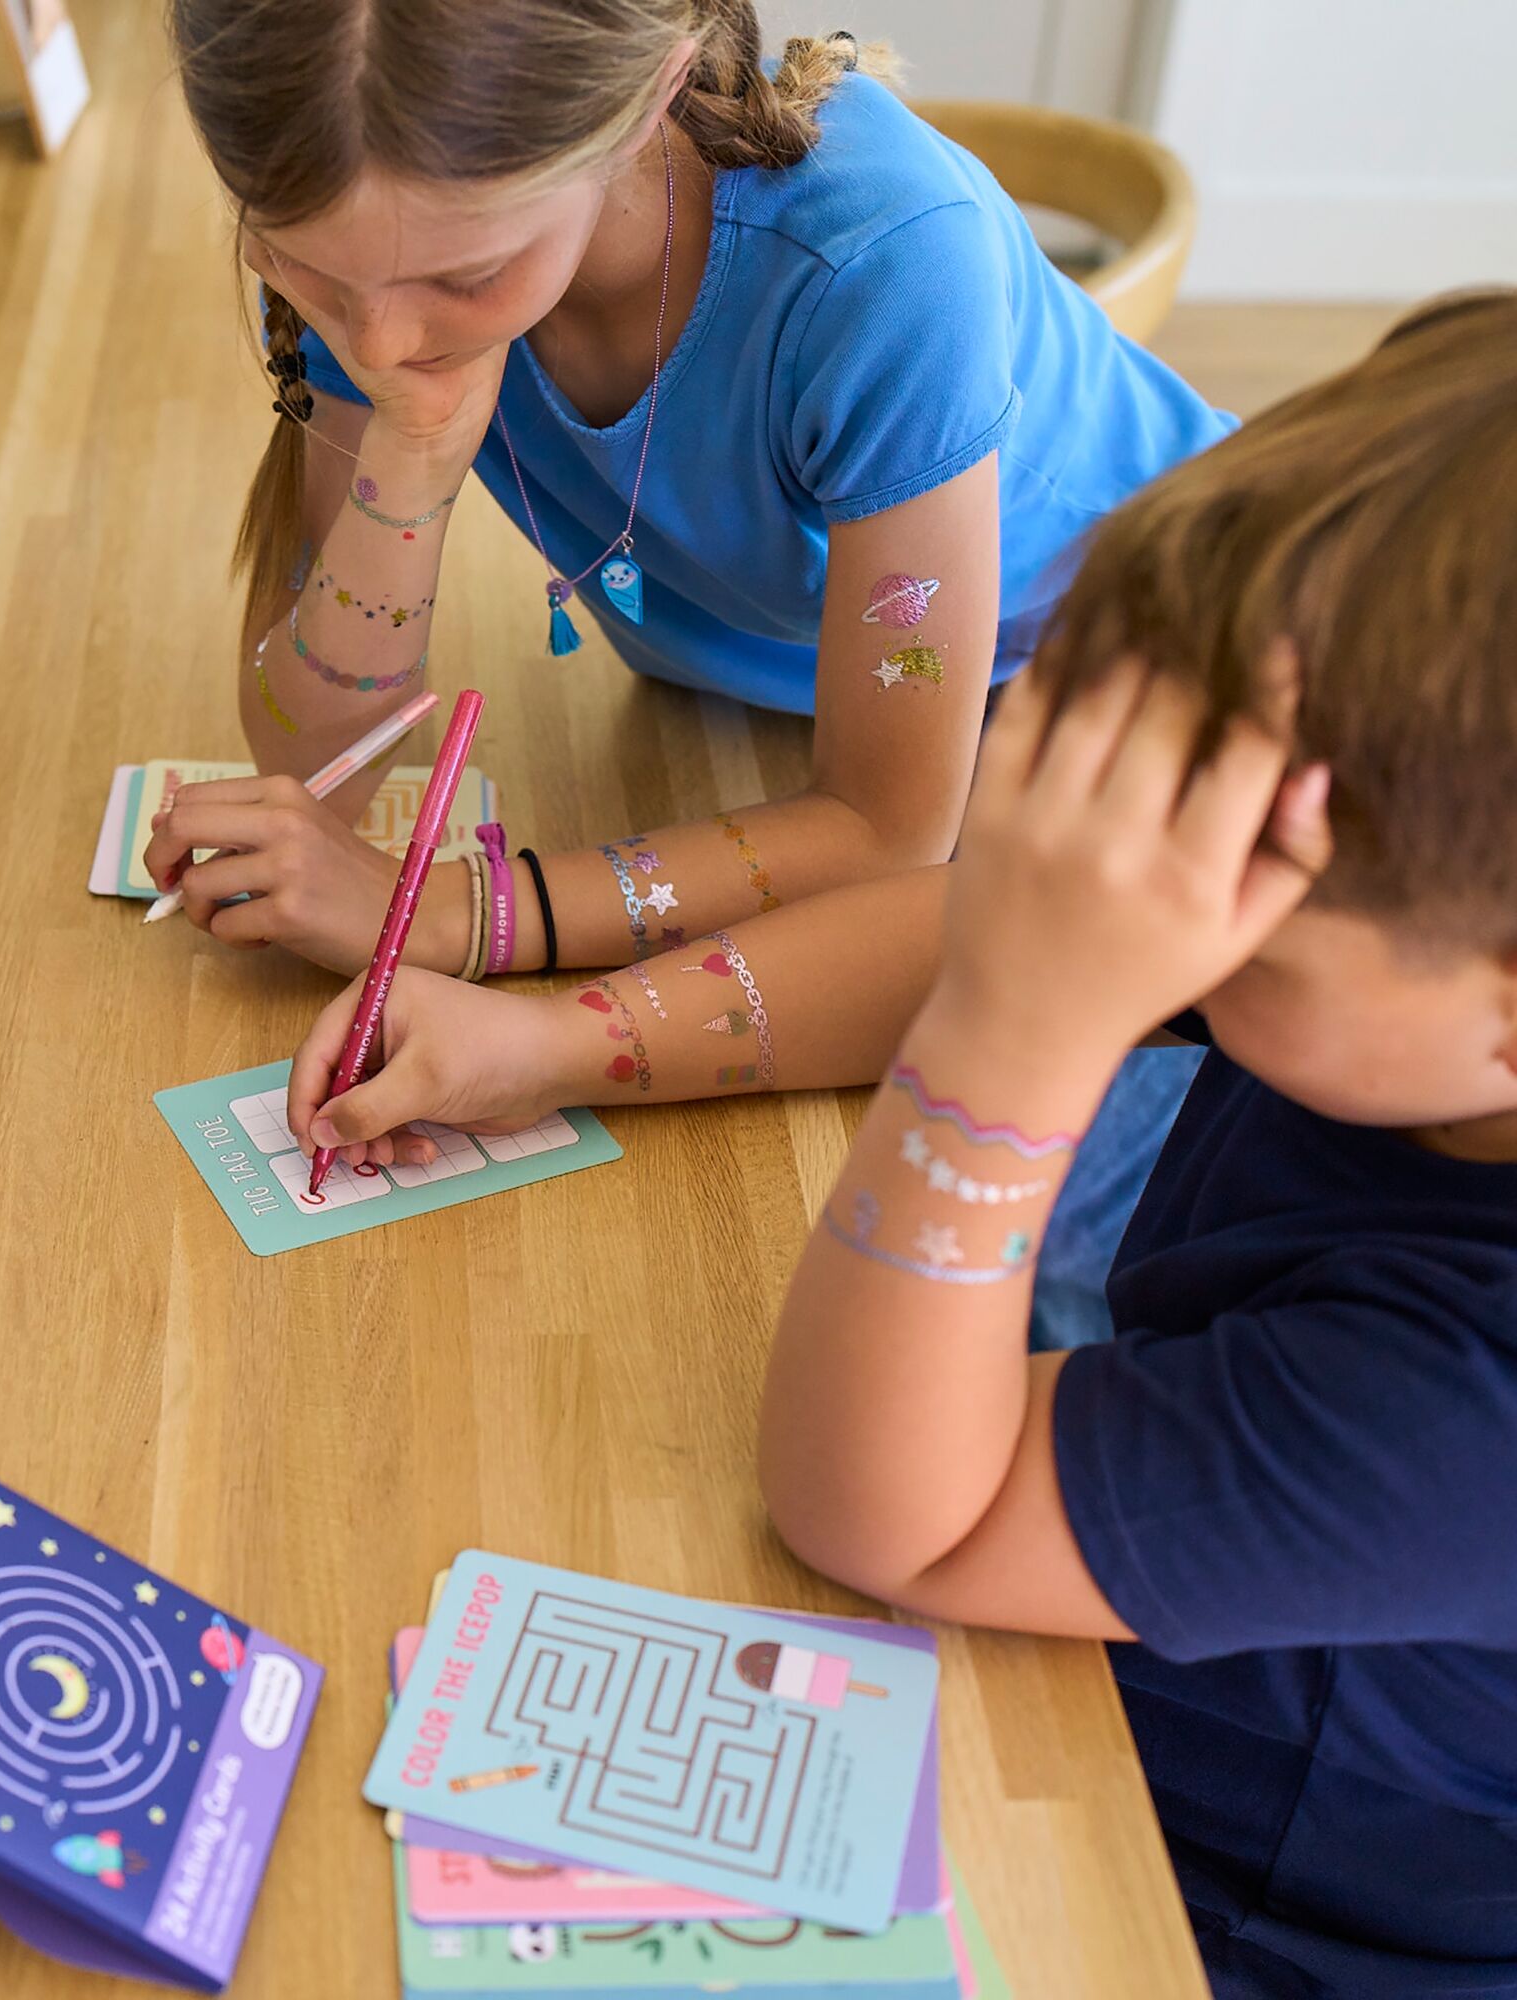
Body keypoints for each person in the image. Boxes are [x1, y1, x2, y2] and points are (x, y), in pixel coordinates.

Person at [155, 0, 1231, 1340]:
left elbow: (893, 831)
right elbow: (311, 765)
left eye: (464, 279)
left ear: (646, 91)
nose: (380, 345)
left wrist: (469, 919)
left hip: (1160, 707)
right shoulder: (388, 227)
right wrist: (412, 460)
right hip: (788, 709)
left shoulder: (882, 270)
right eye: (311, 277)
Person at [757, 292, 1517, 1996]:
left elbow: (883, 1517)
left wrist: (1012, 1038)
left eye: (1228, 929)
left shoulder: (1478, 1413)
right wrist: (575, 1019)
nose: (1171, 937)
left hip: (1235, 1899)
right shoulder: (1416, 940)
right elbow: (973, 923)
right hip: (1130, 1591)